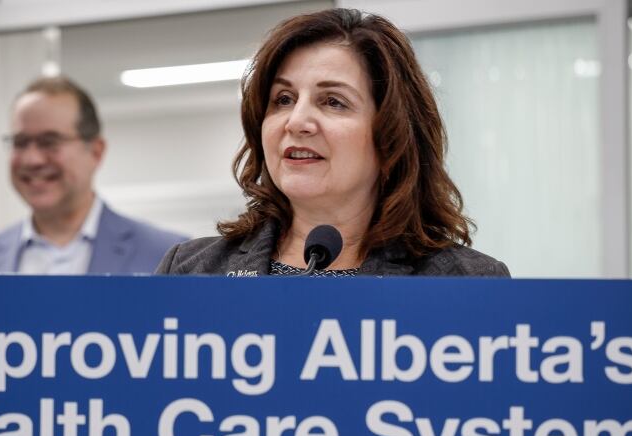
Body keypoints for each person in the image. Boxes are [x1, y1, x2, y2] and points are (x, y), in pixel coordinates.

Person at [156, 8, 509, 277]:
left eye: (333, 102)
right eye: (283, 99)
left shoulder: (465, 282)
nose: (297, 121)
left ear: (391, 134)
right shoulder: (190, 271)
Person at [0, 76, 186, 274]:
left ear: (96, 152)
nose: (32, 159)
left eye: (50, 142)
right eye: (20, 143)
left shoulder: (171, 258)